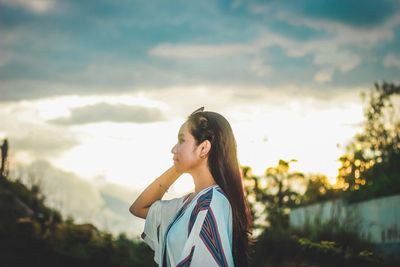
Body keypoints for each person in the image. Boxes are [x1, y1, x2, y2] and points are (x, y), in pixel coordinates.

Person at [130, 107, 253, 267]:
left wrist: (180, 163)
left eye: (182, 141)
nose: (173, 149)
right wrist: (178, 166)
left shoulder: (210, 203)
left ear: (203, 148)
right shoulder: (191, 203)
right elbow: (139, 208)